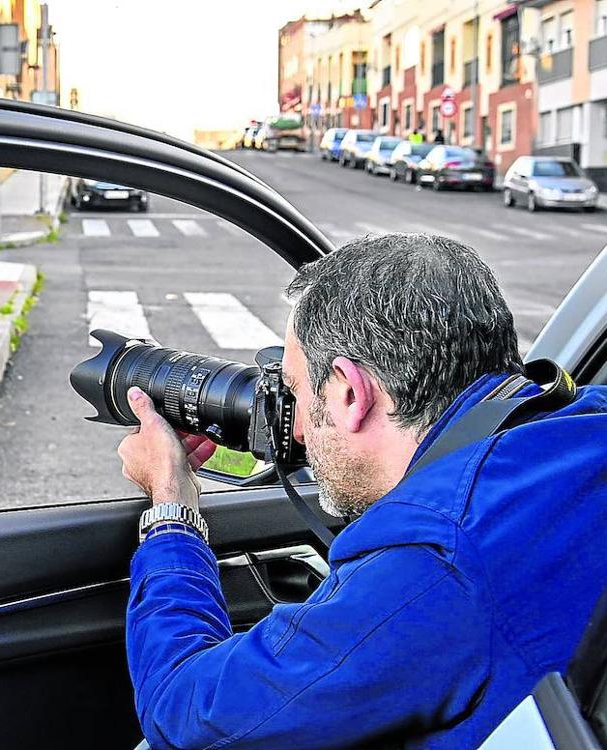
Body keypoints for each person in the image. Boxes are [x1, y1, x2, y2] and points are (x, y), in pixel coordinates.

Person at [118, 233, 607, 750]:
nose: (297, 429)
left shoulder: (434, 559)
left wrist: (171, 507)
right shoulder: (586, 422)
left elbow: (186, 715)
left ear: (351, 393)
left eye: (299, 392)